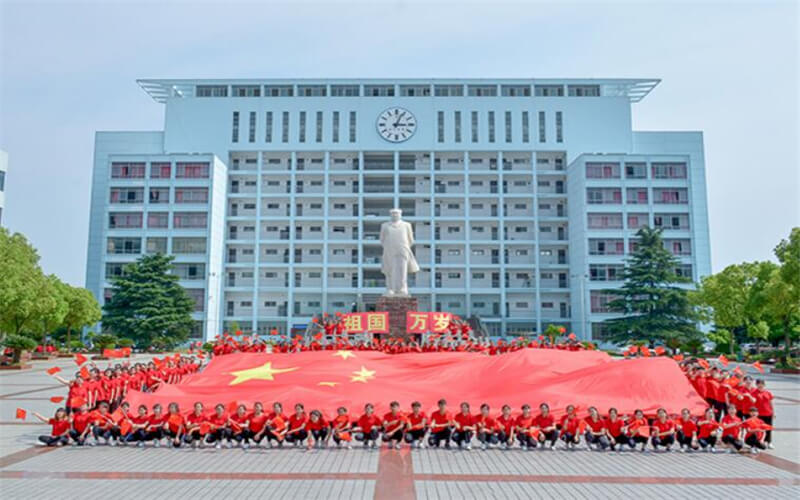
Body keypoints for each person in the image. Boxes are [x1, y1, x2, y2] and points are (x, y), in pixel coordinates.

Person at [753, 379, 774, 447]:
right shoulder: (754, 392)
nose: (760, 385)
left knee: (768, 428)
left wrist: (773, 412)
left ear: (764, 385)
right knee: (760, 429)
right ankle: (761, 441)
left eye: (762, 383)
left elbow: (771, 403)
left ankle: (769, 442)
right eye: (759, 383)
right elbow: (752, 403)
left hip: (768, 413)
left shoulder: (768, 392)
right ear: (756, 384)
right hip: (759, 414)